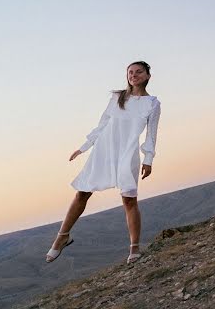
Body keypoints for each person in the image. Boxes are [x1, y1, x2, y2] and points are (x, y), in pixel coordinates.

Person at [45, 61, 162, 265]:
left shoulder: (152, 103)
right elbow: (102, 124)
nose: (134, 75)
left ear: (148, 76)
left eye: (138, 72)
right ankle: (62, 236)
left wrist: (148, 159)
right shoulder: (118, 98)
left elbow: (151, 134)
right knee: (82, 192)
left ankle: (134, 248)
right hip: (104, 150)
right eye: (130, 72)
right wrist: (84, 147)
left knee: (129, 199)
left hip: (128, 152)